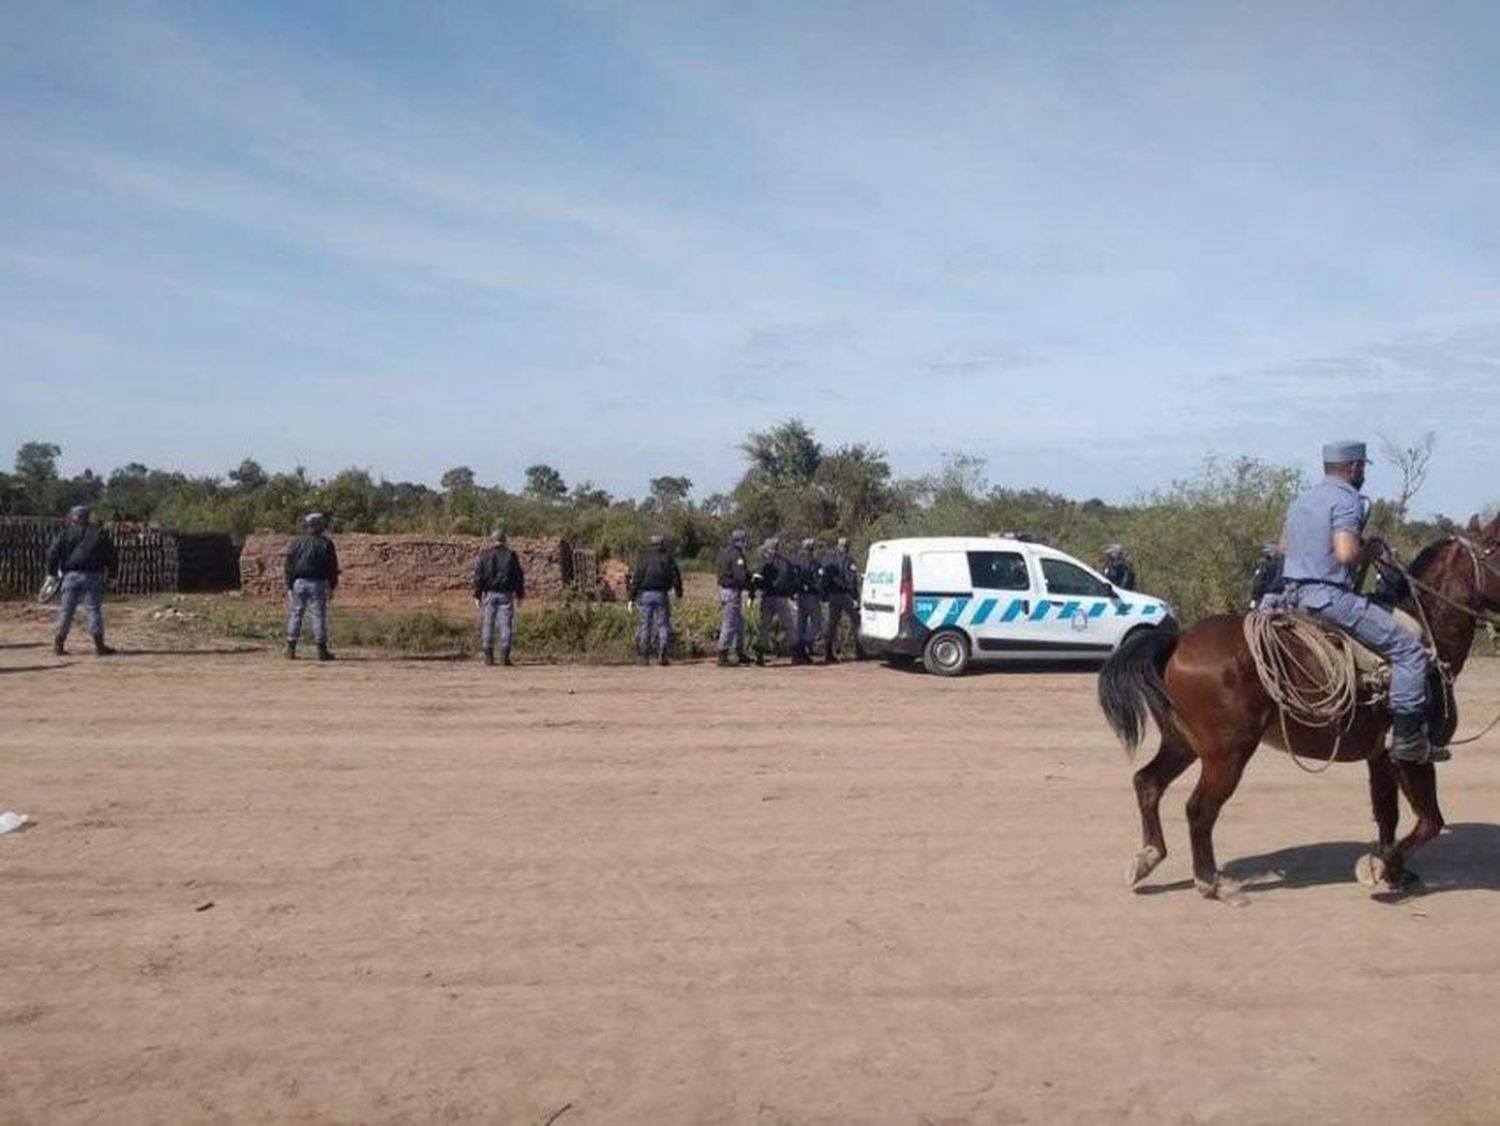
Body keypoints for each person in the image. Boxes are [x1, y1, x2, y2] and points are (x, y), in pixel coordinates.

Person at [1279, 440, 1438, 764]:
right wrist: (1372, 550)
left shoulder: (1302, 500)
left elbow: (1284, 548)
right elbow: (1347, 553)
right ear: (1353, 467)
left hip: (1290, 597)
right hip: (1329, 600)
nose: (1363, 472)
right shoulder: (1348, 500)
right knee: (1409, 651)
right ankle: (1408, 741)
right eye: (1362, 467)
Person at [45, 505, 117, 656]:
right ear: (87, 517)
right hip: (93, 576)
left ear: (72, 517)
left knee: (66, 610)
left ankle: (58, 645)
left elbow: (52, 553)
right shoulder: (100, 534)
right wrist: (112, 576)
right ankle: (99, 646)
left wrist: (51, 574)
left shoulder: (64, 534)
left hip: (70, 577)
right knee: (93, 610)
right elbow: (111, 556)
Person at [284, 512, 339, 661]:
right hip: (318, 583)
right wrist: (332, 585)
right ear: (320, 526)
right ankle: (322, 651)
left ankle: (290, 649)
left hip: (299, 583)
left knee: (296, 614)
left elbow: (288, 565)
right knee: (318, 615)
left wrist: (289, 586)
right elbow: (332, 567)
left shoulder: (295, 542)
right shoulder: (326, 543)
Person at [473, 528, 525, 666]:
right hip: (507, 594)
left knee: (488, 624)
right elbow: (518, 576)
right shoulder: (511, 555)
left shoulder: (485, 555)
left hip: (490, 593)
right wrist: (519, 594)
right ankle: (504, 657)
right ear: (504, 540)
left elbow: (479, 576)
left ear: (492, 540)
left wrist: (477, 595)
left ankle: (488, 657)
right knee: (506, 624)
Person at [629, 533, 683, 666]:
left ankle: (644, 656)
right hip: (661, 594)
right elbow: (676, 576)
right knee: (662, 624)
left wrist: (631, 597)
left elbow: (637, 577)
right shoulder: (667, 557)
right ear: (662, 544)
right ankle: (663, 654)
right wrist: (678, 592)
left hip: (645, 595)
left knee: (645, 625)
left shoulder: (644, 558)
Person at [752, 537, 798, 667]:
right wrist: (791, 595)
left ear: (769, 549)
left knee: (764, 626)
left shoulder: (764, 563)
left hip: (768, 596)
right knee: (789, 625)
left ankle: (759, 655)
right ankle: (796, 654)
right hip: (782, 598)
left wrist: (754, 593)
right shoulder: (786, 563)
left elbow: (757, 580)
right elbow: (791, 581)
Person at [821, 536, 865, 662]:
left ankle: (828, 651)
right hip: (845, 595)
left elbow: (825, 579)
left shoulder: (830, 560)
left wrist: (825, 595)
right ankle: (859, 650)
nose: (844, 548)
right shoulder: (848, 561)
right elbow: (852, 580)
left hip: (833, 596)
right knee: (856, 620)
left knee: (832, 624)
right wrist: (855, 597)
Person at [714, 528, 754, 667]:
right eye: (744, 540)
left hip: (723, 590)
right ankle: (722, 653)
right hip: (732, 591)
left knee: (738, 623)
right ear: (740, 541)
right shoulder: (737, 555)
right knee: (730, 622)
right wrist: (750, 584)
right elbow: (740, 576)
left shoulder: (724, 553)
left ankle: (739, 651)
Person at [791, 537, 824, 665]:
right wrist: (821, 592)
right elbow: (819, 580)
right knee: (816, 623)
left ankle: (799, 654)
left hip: (800, 595)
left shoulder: (796, 561)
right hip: (811, 595)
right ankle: (802, 645)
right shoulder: (813, 562)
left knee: (801, 625)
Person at [1249, 542, 1284, 608]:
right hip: (1283, 597)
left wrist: (1254, 598)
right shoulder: (1284, 564)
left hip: (1268, 596)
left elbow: (1258, 582)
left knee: (1259, 615)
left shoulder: (1265, 565)